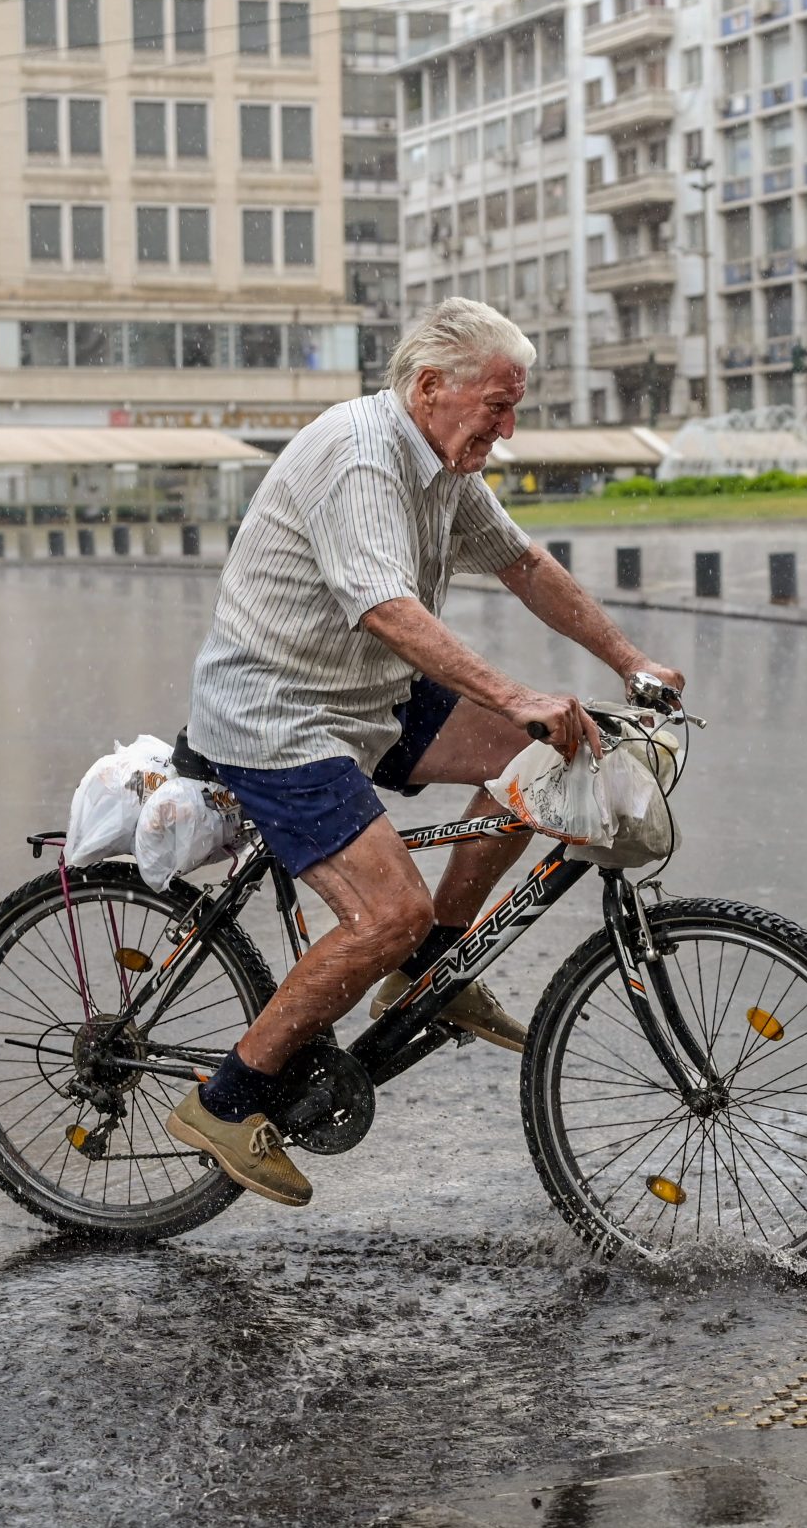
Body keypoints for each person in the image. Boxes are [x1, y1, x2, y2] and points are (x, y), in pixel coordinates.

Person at [167, 298, 685, 1207]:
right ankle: (226, 1099)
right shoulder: (363, 455)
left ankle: (432, 968)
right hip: (277, 713)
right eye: (497, 404)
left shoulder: (440, 463)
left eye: (514, 407)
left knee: (543, 768)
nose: (507, 427)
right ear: (431, 386)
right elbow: (385, 610)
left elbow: (525, 566)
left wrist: (630, 660)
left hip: (369, 692)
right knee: (384, 912)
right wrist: (516, 695)